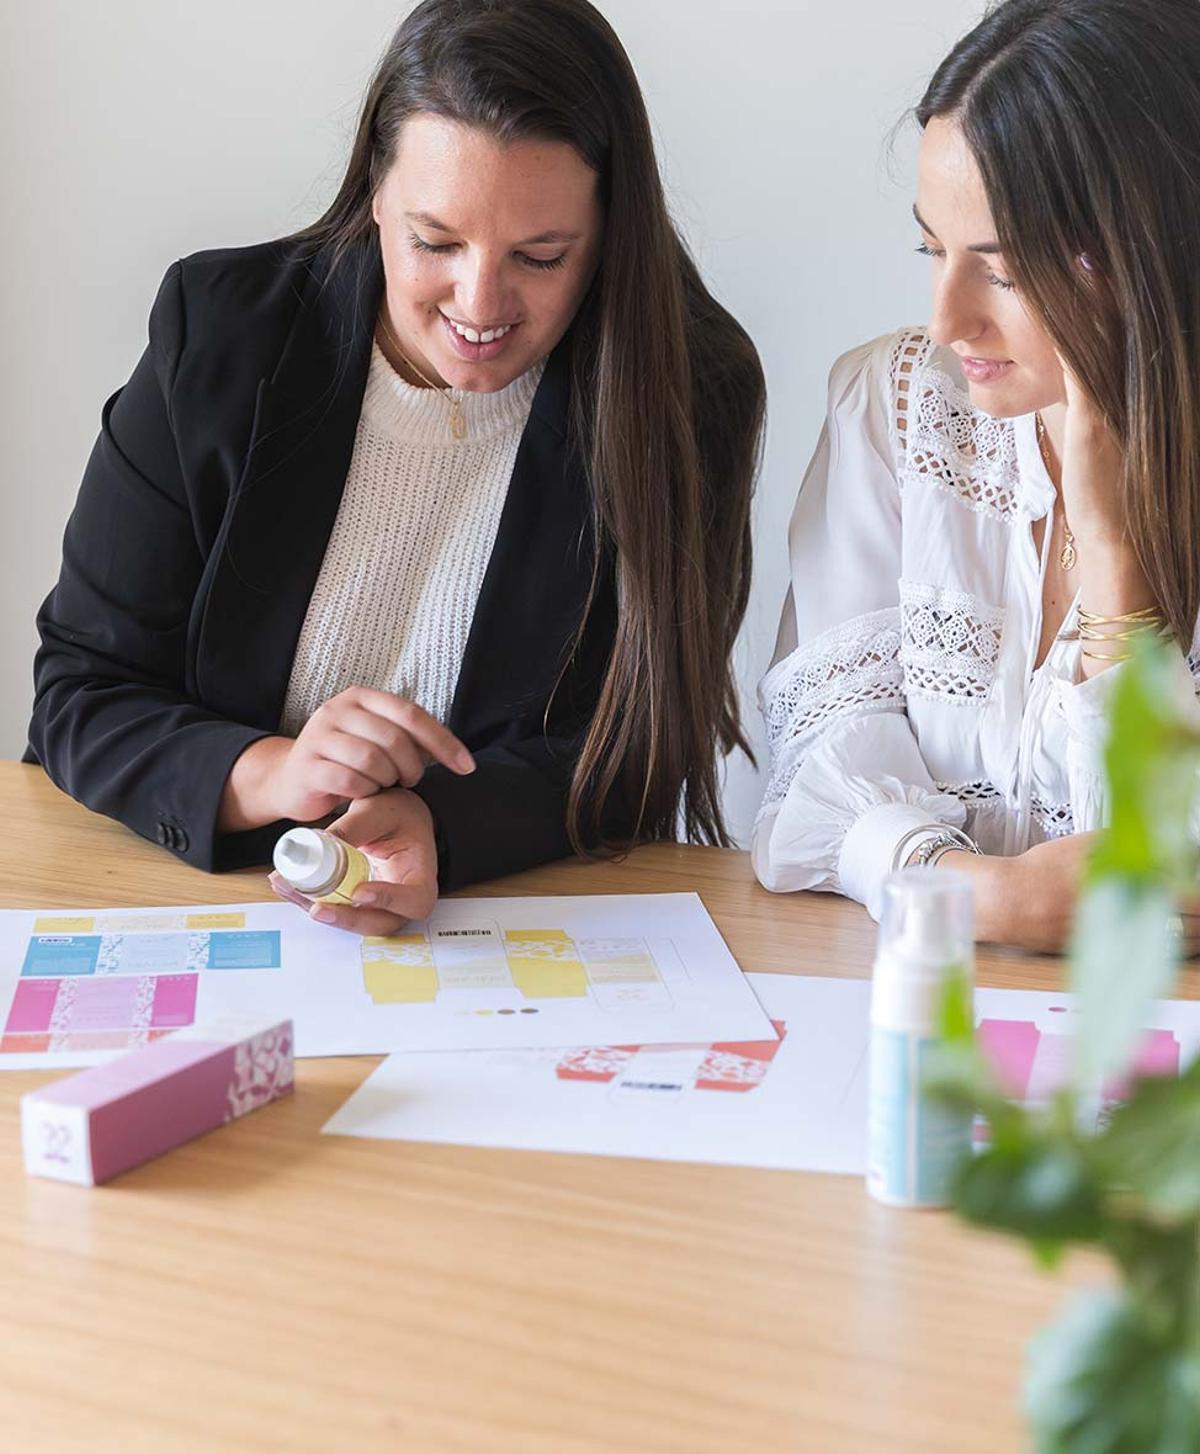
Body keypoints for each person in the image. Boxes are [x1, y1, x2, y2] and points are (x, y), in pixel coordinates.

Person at [28, 0, 765, 937]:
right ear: (375, 192)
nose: (481, 303)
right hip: (172, 899)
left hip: (500, 923)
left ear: (611, 230)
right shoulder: (220, 329)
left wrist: (438, 828)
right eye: (435, 242)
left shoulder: (688, 387)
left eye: (541, 256)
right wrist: (268, 771)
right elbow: (83, 690)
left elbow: (635, 746)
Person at [754, 0, 1200, 953]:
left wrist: (1119, 575)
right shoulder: (899, 405)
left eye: (1001, 271)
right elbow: (811, 782)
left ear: (1151, 253)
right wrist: (979, 897)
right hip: (915, 1011)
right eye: (932, 248)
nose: (948, 320)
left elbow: (1171, 871)